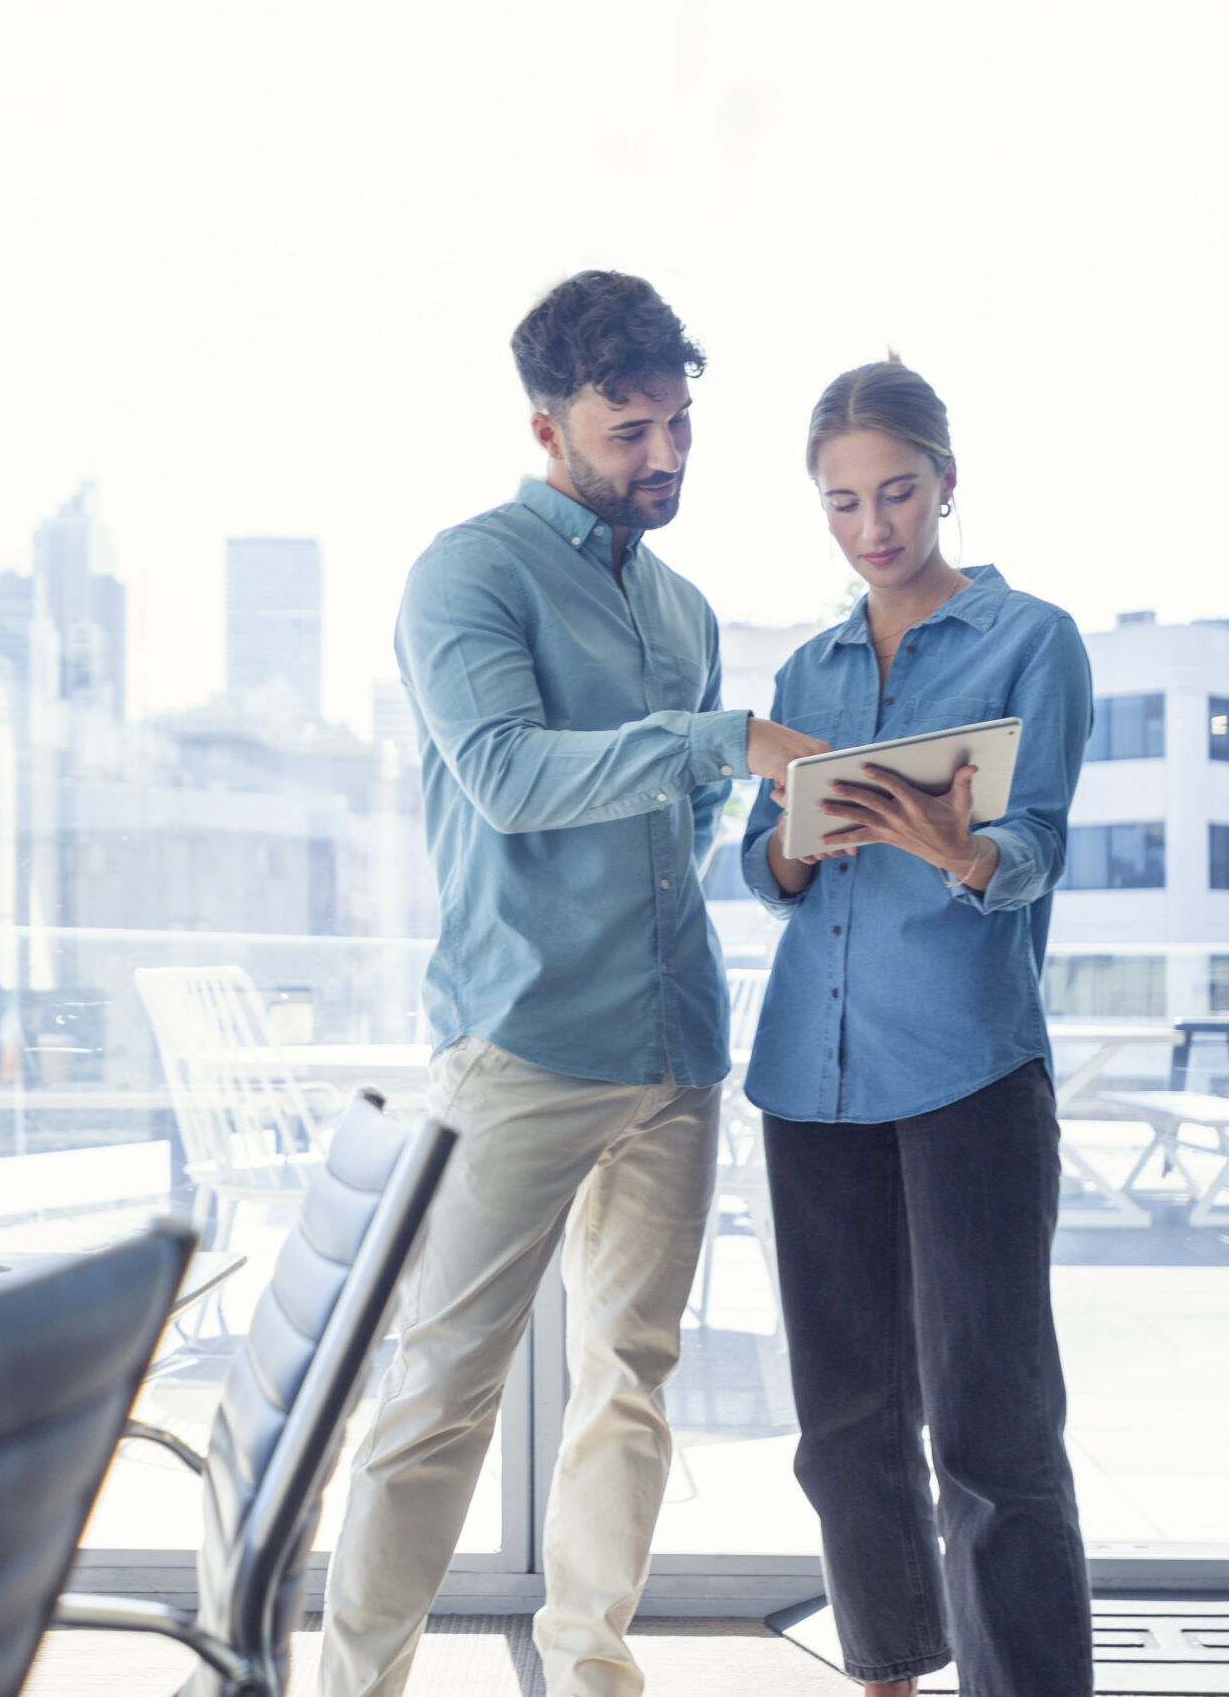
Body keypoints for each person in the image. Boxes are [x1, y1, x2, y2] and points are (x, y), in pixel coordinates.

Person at [320, 270, 828, 1697]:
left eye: (678, 427)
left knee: (633, 1382)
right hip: (527, 1040)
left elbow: (696, 830)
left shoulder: (684, 608)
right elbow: (508, 779)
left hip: (676, 1053)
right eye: (628, 430)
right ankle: (352, 1687)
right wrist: (718, 740)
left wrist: (782, 808)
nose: (662, 458)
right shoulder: (467, 574)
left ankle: (593, 1666)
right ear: (547, 425)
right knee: (439, 1394)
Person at [738, 358, 1094, 1697]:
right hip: (808, 1079)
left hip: (968, 1074)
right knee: (843, 1427)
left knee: (995, 1432)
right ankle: (885, 1672)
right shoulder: (807, 666)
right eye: (841, 504)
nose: (872, 527)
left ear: (948, 481)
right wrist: (784, 846)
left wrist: (959, 847)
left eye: (895, 493)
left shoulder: (1031, 638)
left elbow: (1040, 844)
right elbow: (758, 873)